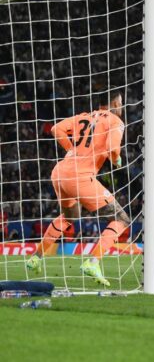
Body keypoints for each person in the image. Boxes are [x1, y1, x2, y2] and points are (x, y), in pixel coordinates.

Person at [26, 89, 128, 287]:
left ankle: (36, 258)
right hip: (79, 177)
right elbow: (113, 149)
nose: (122, 107)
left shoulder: (84, 116)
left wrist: (71, 150)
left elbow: (56, 129)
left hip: (60, 173)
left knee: (69, 216)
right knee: (121, 219)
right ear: (116, 104)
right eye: (121, 103)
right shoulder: (115, 121)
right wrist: (117, 160)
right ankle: (93, 262)